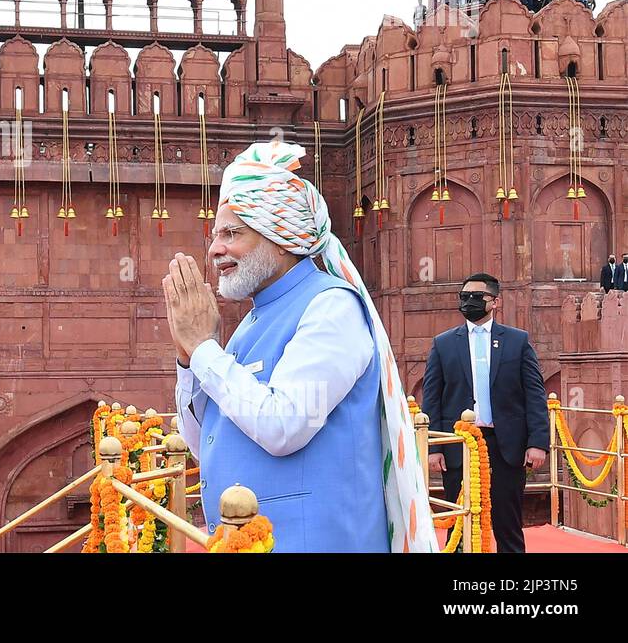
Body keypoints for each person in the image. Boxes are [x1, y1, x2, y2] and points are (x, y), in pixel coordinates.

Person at [167, 140, 434, 552]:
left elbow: (284, 425)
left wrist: (204, 348)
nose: (215, 248)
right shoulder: (252, 323)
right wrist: (189, 359)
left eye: (231, 233)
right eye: (216, 235)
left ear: (280, 238)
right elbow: (205, 441)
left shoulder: (331, 307)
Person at [422, 274, 548, 553]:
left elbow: (535, 394)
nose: (469, 302)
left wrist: (538, 443)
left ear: (495, 302)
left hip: (506, 446)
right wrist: (434, 447)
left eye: (477, 297)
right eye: (464, 296)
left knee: (507, 522)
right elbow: (431, 398)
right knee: (458, 522)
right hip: (458, 447)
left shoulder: (517, 341)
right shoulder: (443, 344)